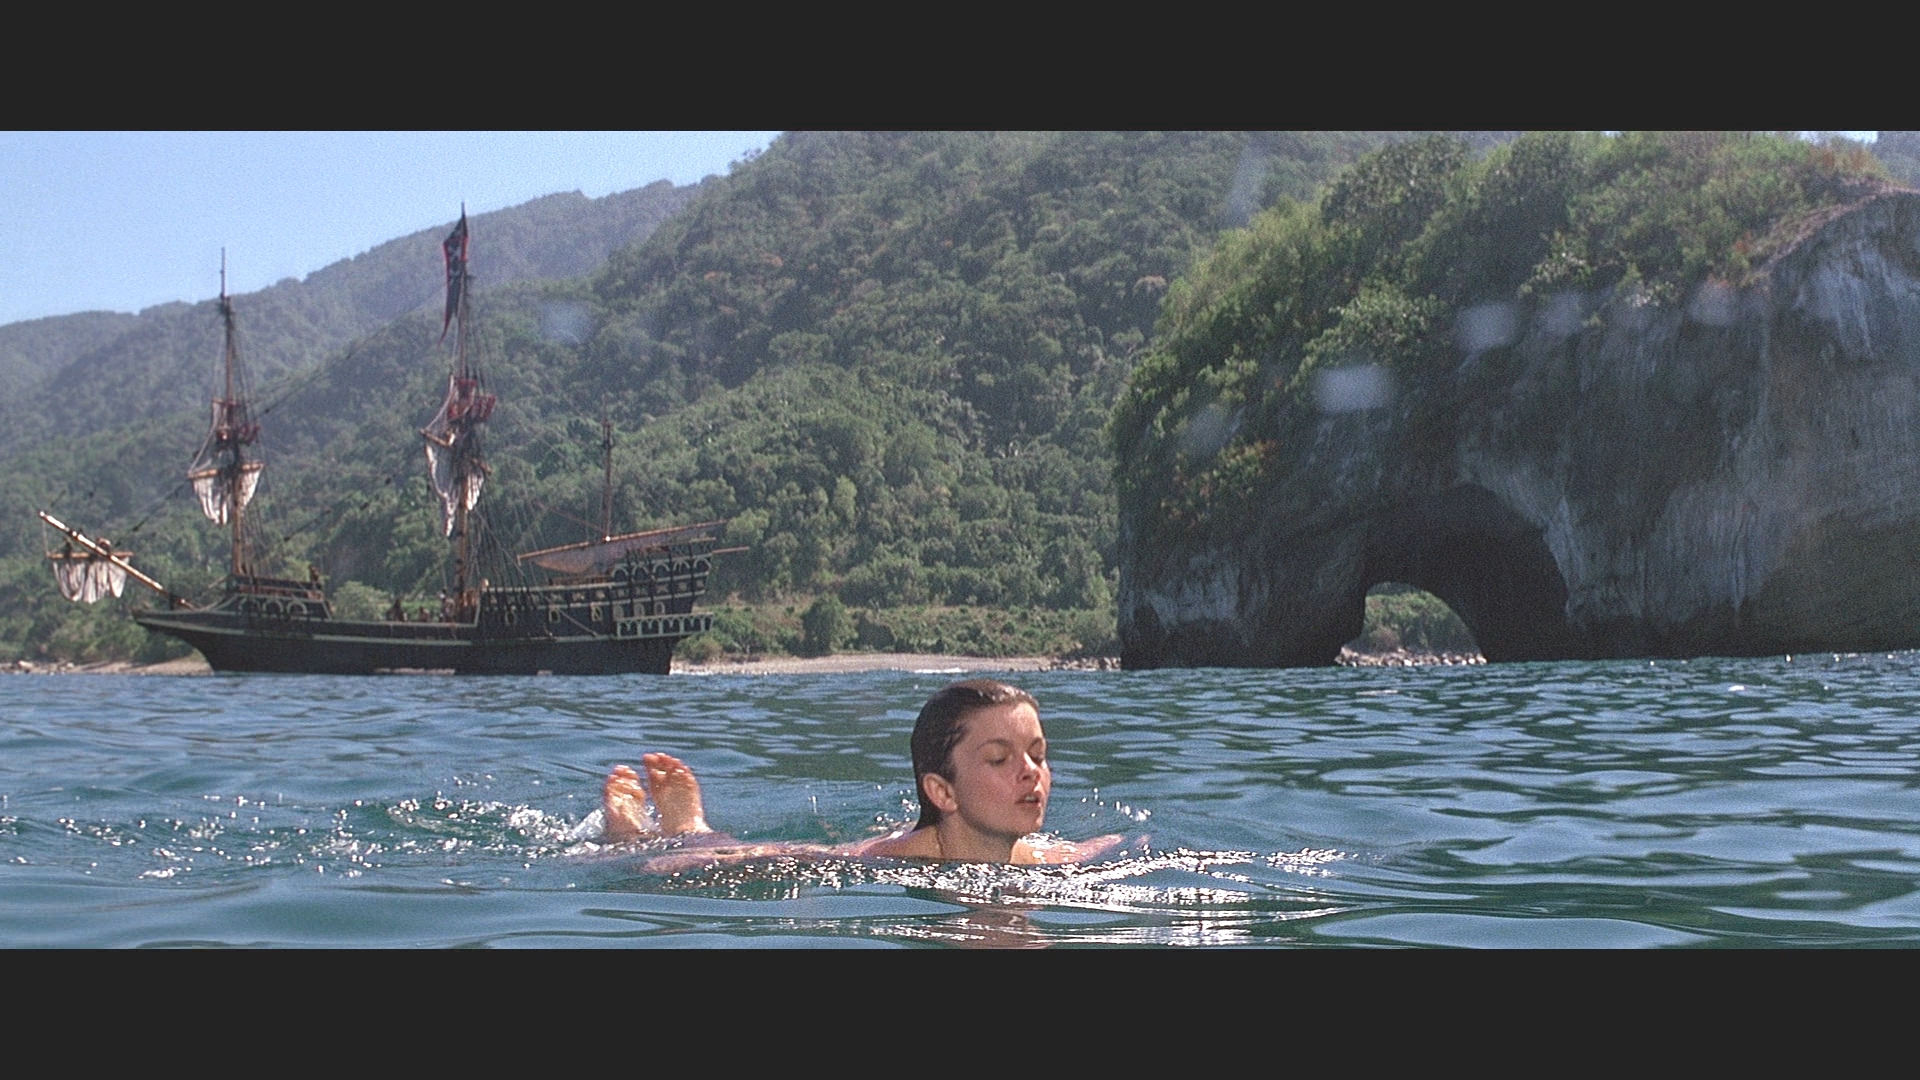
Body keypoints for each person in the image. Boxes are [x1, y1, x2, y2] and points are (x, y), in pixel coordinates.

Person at [600, 679, 1122, 866]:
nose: (1031, 773)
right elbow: (773, 860)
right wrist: (675, 853)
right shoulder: (886, 861)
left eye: (1038, 754)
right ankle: (679, 829)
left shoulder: (1059, 860)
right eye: (999, 758)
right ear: (942, 791)